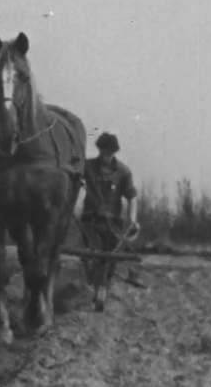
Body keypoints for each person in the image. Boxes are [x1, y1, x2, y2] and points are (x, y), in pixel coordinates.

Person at [78, 131, 139, 311]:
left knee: (108, 258)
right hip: (90, 219)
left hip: (113, 223)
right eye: (103, 151)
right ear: (99, 149)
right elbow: (73, 178)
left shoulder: (123, 172)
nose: (106, 155)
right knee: (90, 255)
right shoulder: (87, 166)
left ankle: (102, 288)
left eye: (110, 152)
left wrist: (133, 219)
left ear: (114, 152)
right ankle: (94, 285)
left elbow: (132, 197)